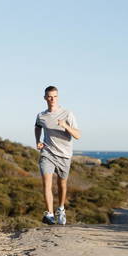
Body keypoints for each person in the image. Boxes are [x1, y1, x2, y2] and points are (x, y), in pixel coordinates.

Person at [34, 86, 81, 225]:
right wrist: (38, 141)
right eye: (49, 96)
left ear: (58, 97)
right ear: (45, 98)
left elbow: (77, 135)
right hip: (47, 153)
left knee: (62, 184)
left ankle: (61, 208)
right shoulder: (41, 116)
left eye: (55, 96)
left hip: (64, 155)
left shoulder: (67, 114)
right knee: (46, 183)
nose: (52, 99)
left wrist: (65, 126)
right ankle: (49, 213)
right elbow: (37, 126)